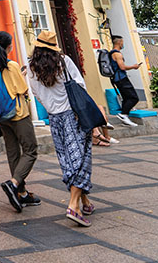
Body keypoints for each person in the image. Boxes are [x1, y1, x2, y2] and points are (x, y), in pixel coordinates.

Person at [27, 30, 95, 227]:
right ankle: (73, 205)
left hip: (54, 118)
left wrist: (50, 106)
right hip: (73, 115)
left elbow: (36, 94)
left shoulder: (32, 68)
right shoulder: (63, 61)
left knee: (67, 159)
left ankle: (85, 201)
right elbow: (80, 85)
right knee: (82, 158)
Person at [0, 31, 40, 211]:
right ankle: (13, 184)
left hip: (1, 115)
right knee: (31, 149)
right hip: (18, 113)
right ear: (10, 46)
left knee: (13, 153)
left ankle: (21, 193)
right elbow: (21, 88)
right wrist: (22, 75)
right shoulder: (11, 65)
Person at [109, 35, 142, 127]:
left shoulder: (111, 53)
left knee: (126, 98)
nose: (123, 44)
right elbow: (122, 67)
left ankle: (125, 118)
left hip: (117, 79)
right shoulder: (117, 54)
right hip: (121, 78)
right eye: (122, 42)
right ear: (119, 42)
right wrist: (133, 66)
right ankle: (123, 114)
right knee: (134, 98)